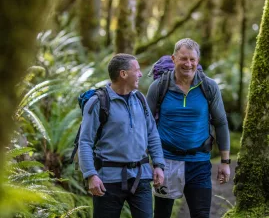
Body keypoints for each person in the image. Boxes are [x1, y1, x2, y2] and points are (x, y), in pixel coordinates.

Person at [146, 38, 230, 218]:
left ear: (198, 61)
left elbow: (221, 122)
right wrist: (148, 161)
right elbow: (145, 124)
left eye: (192, 59)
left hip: (199, 163)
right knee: (162, 214)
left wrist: (225, 161)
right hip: (166, 162)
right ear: (174, 58)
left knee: (201, 214)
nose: (188, 64)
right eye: (183, 58)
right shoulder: (159, 87)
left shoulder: (209, 87)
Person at [78, 53, 165, 218]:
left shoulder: (140, 99)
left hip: (141, 177)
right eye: (137, 70)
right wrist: (90, 174)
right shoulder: (97, 103)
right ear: (123, 74)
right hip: (107, 180)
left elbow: (152, 133)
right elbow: (85, 142)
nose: (140, 74)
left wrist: (159, 164)